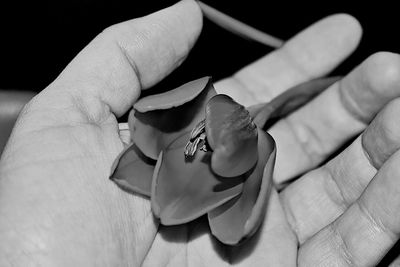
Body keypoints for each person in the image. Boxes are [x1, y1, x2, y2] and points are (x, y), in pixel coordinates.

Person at [0, 0, 399, 265]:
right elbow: (165, 196)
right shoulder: (159, 133)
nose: (206, 147)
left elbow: (230, 217)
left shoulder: (225, 156)